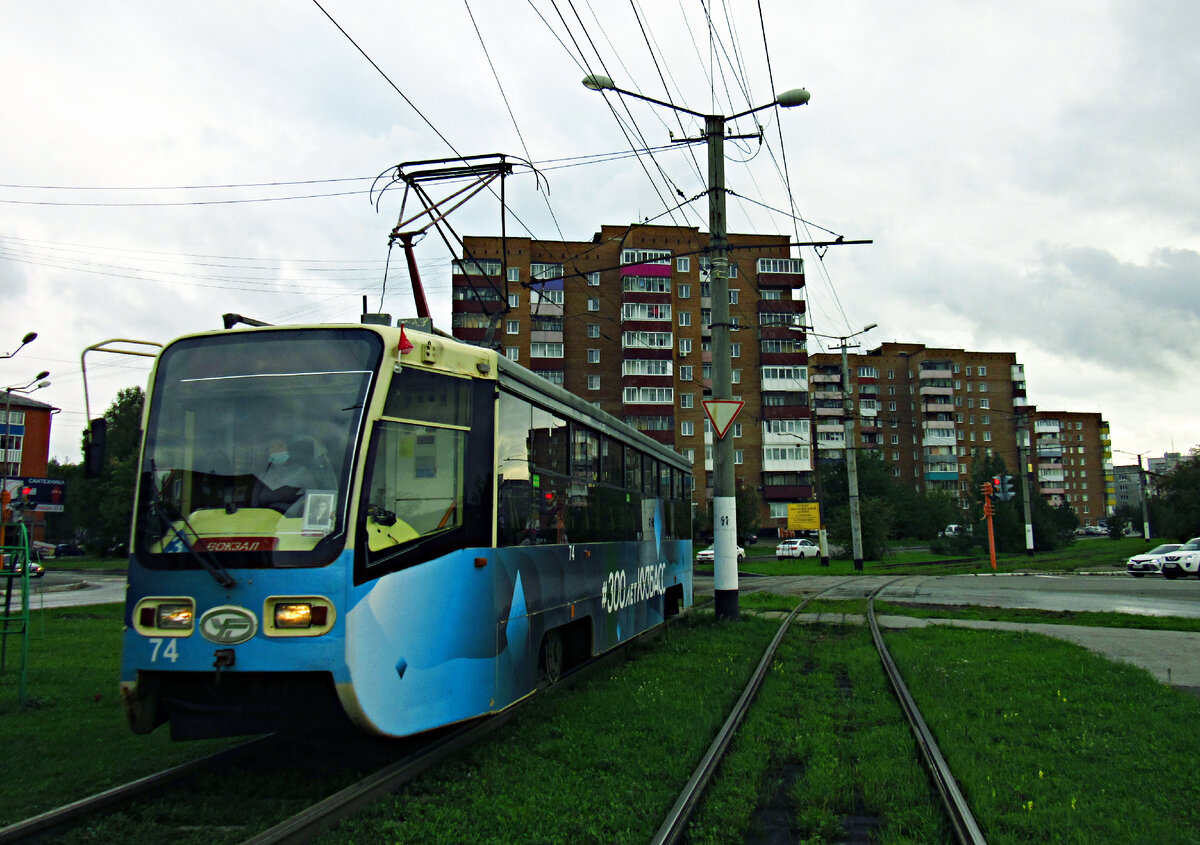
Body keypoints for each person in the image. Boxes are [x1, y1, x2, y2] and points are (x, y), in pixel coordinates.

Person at [253, 439, 318, 510]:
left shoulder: (300, 471)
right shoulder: (263, 476)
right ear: (268, 452)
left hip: (294, 518)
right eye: (273, 447)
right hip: (265, 518)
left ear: (288, 449)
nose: (277, 449)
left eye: (280, 446)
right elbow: (254, 503)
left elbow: (314, 496)